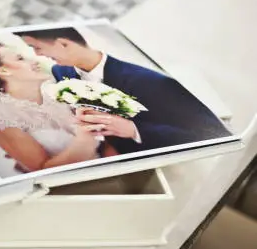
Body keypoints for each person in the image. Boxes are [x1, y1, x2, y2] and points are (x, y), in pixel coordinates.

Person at [15, 27, 231, 154]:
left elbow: (213, 135)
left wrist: (133, 129)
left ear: (63, 44)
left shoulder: (150, 81)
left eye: (37, 47)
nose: (38, 54)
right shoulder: (60, 71)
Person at [0, 40, 105, 172]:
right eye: (20, 59)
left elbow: (107, 142)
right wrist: (87, 137)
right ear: (3, 70)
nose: (34, 60)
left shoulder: (57, 88)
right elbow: (43, 171)